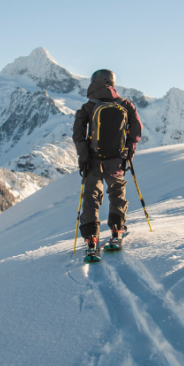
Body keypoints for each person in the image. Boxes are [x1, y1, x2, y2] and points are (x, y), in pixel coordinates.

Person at [74, 69, 144, 256]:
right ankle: (116, 229)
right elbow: (136, 129)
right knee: (117, 191)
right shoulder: (125, 104)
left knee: (91, 196)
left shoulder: (88, 107)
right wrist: (128, 153)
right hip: (116, 160)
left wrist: (83, 158)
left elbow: (78, 135)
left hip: (94, 161)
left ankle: (91, 239)